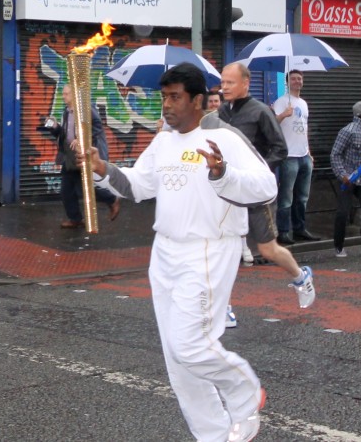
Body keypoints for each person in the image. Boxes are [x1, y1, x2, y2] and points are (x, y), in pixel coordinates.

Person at [79, 63, 270, 442]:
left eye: (174, 97)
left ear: (198, 100)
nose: (166, 105)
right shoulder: (164, 141)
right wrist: (103, 169)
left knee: (190, 345)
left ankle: (245, 392)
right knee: (177, 361)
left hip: (208, 250)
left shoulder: (224, 138)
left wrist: (223, 174)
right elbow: (139, 185)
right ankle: (214, 434)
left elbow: (266, 186)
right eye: (163, 97)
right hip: (164, 251)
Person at [218, 62, 315, 310]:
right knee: (221, 245)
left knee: (268, 248)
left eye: (230, 82)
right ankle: (223, 307)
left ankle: (300, 276)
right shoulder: (221, 113)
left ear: (245, 84)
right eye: (222, 82)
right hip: (228, 188)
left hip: (256, 189)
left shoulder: (261, 111)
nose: (224, 86)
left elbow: (280, 149)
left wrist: (259, 169)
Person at [47, 84, 120, 229]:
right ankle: (75, 218)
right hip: (69, 155)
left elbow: (97, 128)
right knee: (67, 190)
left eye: (66, 94)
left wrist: (81, 138)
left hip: (84, 153)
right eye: (63, 93)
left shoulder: (86, 110)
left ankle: (112, 200)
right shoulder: (66, 112)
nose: (63, 96)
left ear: (74, 95)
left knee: (83, 188)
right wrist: (55, 127)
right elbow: (65, 134)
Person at [271, 70, 320, 244]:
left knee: (302, 197)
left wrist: (309, 153)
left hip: (304, 155)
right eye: (293, 79)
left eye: (300, 79)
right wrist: (284, 114)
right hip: (289, 156)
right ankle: (284, 231)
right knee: (286, 197)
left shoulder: (304, 103)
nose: (297, 81)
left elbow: (304, 130)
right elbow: (272, 124)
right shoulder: (281, 102)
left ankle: (300, 229)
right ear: (287, 82)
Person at [331, 101, 361, 258]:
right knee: (343, 213)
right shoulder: (348, 131)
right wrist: (342, 174)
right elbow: (335, 154)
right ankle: (338, 245)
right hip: (349, 178)